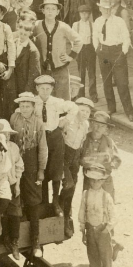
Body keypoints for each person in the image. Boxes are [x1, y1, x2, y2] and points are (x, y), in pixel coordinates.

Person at [10, 92, 47, 255]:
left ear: (33, 107)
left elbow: (43, 148)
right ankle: (14, 240)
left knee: (33, 200)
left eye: (28, 106)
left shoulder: (38, 123)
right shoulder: (14, 118)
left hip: (31, 159)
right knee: (16, 196)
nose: (24, 109)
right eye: (22, 106)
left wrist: (40, 170)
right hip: (16, 158)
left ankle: (35, 242)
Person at [92, 0, 133, 121]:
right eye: (103, 9)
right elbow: (95, 36)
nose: (106, 11)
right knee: (107, 81)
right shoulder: (97, 21)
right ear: (100, 9)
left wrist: (123, 52)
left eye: (108, 9)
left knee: (122, 83)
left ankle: (129, 111)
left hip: (117, 52)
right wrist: (97, 49)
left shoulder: (119, 21)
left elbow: (126, 38)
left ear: (111, 9)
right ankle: (111, 107)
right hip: (103, 53)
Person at [34, 74, 70, 215]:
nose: (44, 91)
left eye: (47, 88)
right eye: (42, 88)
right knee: (41, 168)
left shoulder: (57, 102)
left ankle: (55, 203)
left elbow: (73, 108)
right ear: (37, 88)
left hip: (54, 136)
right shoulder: (34, 102)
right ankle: (43, 202)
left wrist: (65, 121)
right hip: (41, 137)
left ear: (52, 89)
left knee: (56, 170)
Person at [58, 96, 94, 239]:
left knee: (73, 187)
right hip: (63, 155)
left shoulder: (85, 125)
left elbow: (82, 141)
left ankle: (66, 216)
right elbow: (58, 130)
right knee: (69, 185)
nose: (84, 113)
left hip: (75, 158)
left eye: (87, 112)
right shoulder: (68, 120)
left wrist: (80, 158)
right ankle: (60, 203)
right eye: (82, 110)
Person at [35, 0, 80, 100]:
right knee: (45, 95)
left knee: (62, 95)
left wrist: (71, 56)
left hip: (60, 67)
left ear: (57, 12)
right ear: (43, 10)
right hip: (44, 68)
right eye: (47, 8)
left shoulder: (63, 27)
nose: (50, 11)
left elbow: (78, 40)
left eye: (53, 9)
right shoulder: (37, 25)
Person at [78, 167, 116, 267]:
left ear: (103, 181)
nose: (95, 183)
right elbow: (82, 213)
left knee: (105, 259)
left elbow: (113, 216)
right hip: (90, 230)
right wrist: (83, 231)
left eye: (98, 180)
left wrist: (107, 229)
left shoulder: (106, 196)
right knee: (93, 258)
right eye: (92, 180)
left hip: (103, 230)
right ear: (89, 180)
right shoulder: (86, 194)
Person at [80, 111, 121, 199]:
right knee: (88, 202)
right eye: (96, 124)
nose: (98, 128)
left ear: (106, 128)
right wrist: (87, 162)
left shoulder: (109, 141)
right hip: (89, 179)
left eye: (102, 126)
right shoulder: (84, 139)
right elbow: (77, 158)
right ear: (92, 124)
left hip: (105, 180)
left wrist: (108, 163)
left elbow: (117, 160)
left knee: (107, 202)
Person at [73, 4, 98, 101]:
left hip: (90, 49)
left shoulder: (93, 24)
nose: (84, 15)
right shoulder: (76, 25)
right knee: (81, 73)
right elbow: (73, 39)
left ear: (89, 14)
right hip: (80, 50)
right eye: (82, 13)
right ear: (79, 14)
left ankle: (93, 94)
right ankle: (81, 94)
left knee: (92, 72)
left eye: (86, 13)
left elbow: (95, 38)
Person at [11, 20, 42, 96]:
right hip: (12, 84)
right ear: (18, 30)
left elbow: (34, 73)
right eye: (21, 33)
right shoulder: (13, 43)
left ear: (30, 34)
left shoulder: (32, 51)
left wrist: (28, 91)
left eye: (25, 34)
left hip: (24, 86)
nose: (22, 36)